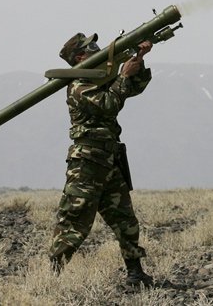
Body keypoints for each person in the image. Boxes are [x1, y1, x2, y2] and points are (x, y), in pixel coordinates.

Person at [48, 32, 154, 287]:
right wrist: (123, 75)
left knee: (125, 219)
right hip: (86, 163)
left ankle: (136, 274)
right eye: (91, 47)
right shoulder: (78, 86)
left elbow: (135, 88)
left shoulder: (100, 80)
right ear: (80, 57)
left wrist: (139, 59)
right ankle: (51, 279)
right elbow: (109, 104)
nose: (97, 48)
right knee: (74, 222)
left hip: (109, 160)